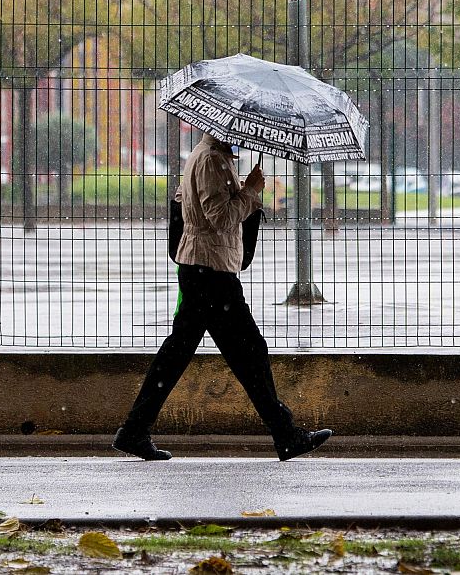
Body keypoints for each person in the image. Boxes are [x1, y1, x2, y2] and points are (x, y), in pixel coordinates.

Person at [113, 132, 332, 462]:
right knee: (249, 351)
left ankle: (134, 430)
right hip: (210, 270)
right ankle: (285, 435)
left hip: (203, 267)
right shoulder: (211, 160)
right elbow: (222, 218)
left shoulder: (211, 157)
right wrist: (251, 192)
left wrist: (243, 189)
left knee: (179, 353)